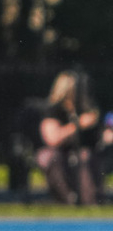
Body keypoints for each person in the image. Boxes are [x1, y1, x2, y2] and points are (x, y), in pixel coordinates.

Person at [35, 70, 98, 205]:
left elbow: (96, 140)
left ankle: (90, 199)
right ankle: (66, 199)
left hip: (83, 153)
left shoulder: (85, 110)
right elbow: (53, 139)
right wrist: (77, 125)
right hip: (58, 153)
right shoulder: (53, 110)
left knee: (85, 156)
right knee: (51, 158)